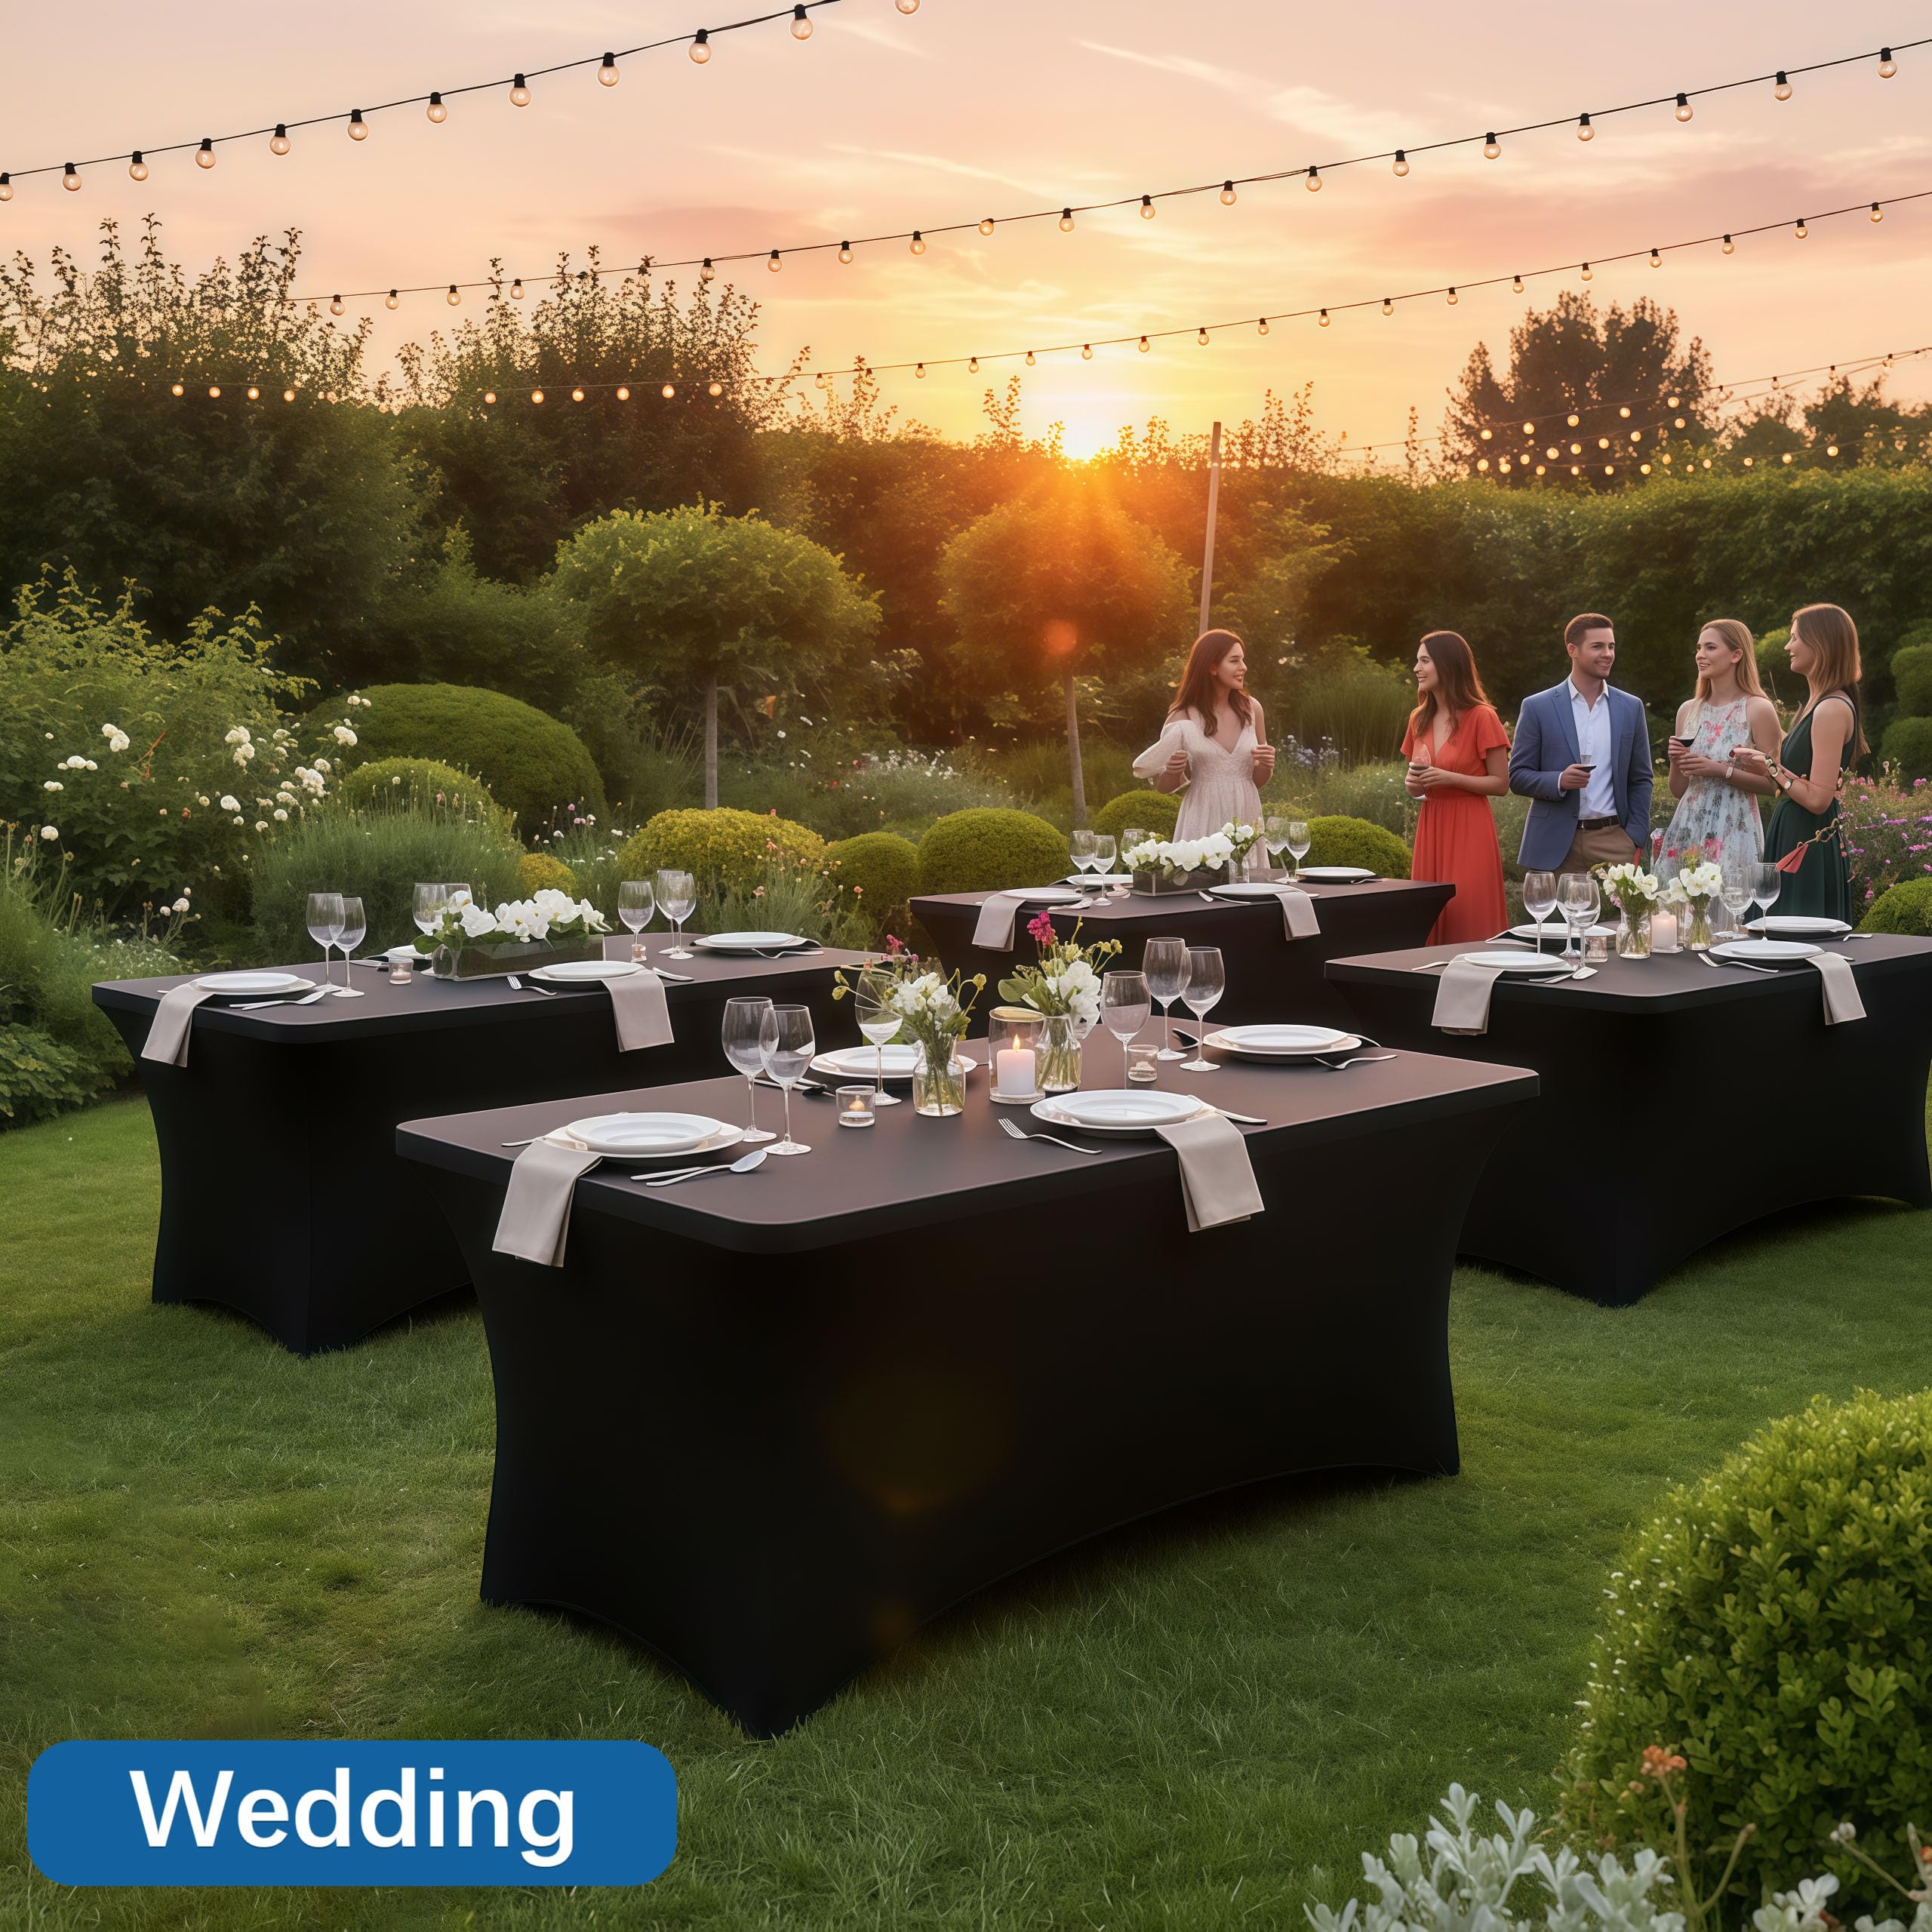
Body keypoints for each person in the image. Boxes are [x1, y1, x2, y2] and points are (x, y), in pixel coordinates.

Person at [1730, 602, 1864, 921]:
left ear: (1821, 643)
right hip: (1793, 831)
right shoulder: (1816, 704)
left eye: (1794, 638)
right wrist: (1763, 762)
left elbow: (1819, 799)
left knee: (1796, 938)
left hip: (1808, 839)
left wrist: (1772, 768)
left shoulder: (1832, 708)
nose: (1788, 646)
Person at [1508, 611, 1654, 875]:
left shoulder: (1631, 708)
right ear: (1572, 650)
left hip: (1615, 843)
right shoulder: (1537, 707)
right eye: (1597, 646)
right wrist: (1559, 780)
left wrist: (1635, 835)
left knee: (1621, 919)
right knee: (1553, 918)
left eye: (1611, 646)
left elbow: (1641, 778)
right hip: (1554, 844)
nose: (1608, 653)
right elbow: (1517, 777)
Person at [1400, 630, 1511, 943]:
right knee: (1429, 912)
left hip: (1470, 828)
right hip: (1431, 826)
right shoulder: (1418, 718)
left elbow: (1501, 784)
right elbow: (1417, 785)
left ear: (1447, 665)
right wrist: (1413, 785)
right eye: (1417, 661)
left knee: (1467, 911)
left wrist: (1451, 779)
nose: (1416, 668)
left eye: (1424, 661)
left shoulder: (1482, 717)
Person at [1658, 619, 1782, 884]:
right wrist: (1675, 761)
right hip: (1688, 828)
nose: (1701, 655)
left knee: (1729, 913)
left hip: (1735, 827)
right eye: (1699, 648)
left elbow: (1776, 784)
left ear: (1736, 655)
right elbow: (1679, 790)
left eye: (1710, 647)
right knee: (1680, 914)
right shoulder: (1688, 711)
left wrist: (1722, 771)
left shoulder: (1758, 709)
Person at [1133, 629, 1276, 845]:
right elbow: (1163, 787)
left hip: (1246, 816)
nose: (1243, 667)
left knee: (1246, 878)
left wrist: (1266, 765)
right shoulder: (1183, 718)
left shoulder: (1252, 709)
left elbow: (1257, 781)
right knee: (1203, 877)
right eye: (1234, 660)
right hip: (1202, 817)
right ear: (1212, 667)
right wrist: (1172, 771)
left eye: (1243, 660)